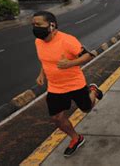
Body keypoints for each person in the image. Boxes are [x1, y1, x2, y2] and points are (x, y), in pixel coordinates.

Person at [32, 11, 103, 157]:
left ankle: (93, 90)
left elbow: (88, 55)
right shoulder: (38, 42)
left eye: (38, 24)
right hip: (55, 87)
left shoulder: (67, 40)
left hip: (75, 84)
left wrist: (70, 63)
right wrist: (41, 74)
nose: (35, 27)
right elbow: (45, 60)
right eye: (33, 25)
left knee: (86, 109)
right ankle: (76, 138)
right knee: (56, 118)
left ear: (52, 25)